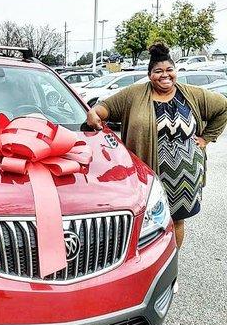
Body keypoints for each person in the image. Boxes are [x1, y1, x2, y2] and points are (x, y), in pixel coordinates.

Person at [87, 43, 227, 248]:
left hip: (185, 173)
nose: (165, 75)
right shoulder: (134, 94)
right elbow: (105, 107)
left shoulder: (192, 94)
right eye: (158, 71)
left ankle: (171, 261)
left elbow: (223, 108)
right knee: (144, 222)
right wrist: (94, 112)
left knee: (177, 220)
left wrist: (206, 138)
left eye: (169, 70)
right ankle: (146, 265)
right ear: (149, 74)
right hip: (148, 171)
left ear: (175, 71)